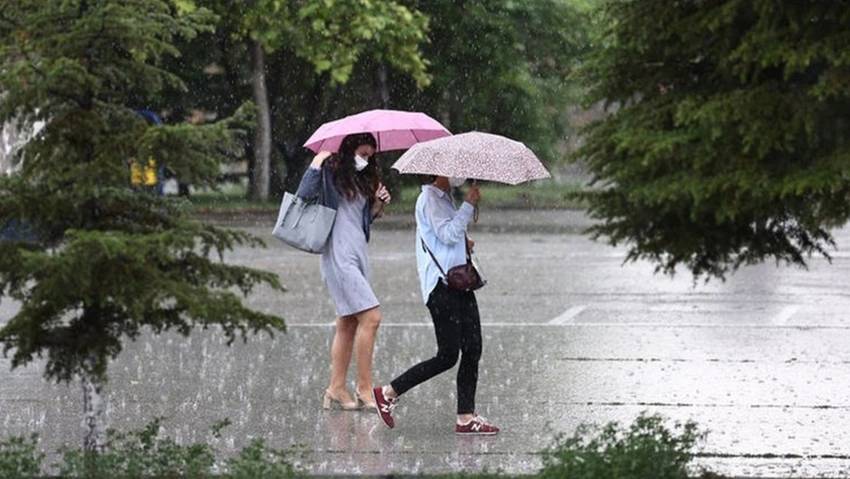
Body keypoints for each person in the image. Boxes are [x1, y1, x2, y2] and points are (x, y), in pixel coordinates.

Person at [372, 176, 500, 435]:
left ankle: (465, 417)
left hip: (459, 283)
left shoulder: (444, 198)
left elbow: (445, 239)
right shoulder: (429, 199)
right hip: (442, 288)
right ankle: (388, 392)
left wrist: (466, 240)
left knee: (473, 348)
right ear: (440, 171)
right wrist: (469, 205)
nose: (460, 177)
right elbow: (448, 234)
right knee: (448, 355)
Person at [295, 133, 392, 410]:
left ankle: (336, 388)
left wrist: (378, 203)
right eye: (362, 153)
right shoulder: (330, 174)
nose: (366, 159)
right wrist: (317, 163)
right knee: (372, 318)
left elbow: (363, 220)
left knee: (348, 322)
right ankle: (364, 388)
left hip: (358, 252)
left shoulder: (363, 180)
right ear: (349, 150)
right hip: (338, 254)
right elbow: (303, 195)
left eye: (370, 155)